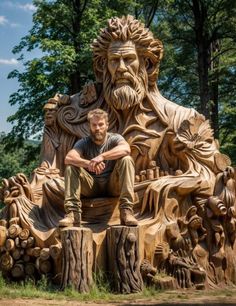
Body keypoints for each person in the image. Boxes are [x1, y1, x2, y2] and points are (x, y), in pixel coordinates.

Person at [59, 108, 138, 227]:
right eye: (94, 125)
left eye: (101, 124)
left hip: (113, 185)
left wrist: (101, 156)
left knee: (126, 159)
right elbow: (69, 158)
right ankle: (72, 213)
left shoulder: (115, 138)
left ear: (107, 125)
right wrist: (89, 163)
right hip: (92, 186)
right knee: (71, 167)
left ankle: (126, 210)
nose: (97, 128)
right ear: (89, 126)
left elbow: (126, 149)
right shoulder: (84, 142)